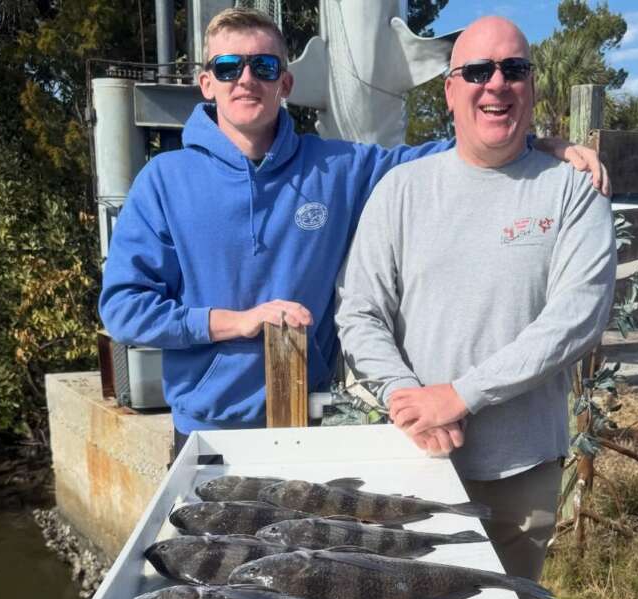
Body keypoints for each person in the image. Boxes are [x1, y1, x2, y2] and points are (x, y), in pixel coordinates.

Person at [98, 7, 608, 455]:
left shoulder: (336, 168)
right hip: (207, 430)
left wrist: (541, 144)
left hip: (309, 422)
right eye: (229, 67)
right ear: (207, 83)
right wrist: (236, 322)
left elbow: (451, 151)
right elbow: (123, 308)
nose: (246, 79)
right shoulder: (163, 182)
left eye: (264, 66)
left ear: (286, 83)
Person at [335, 15, 618, 584]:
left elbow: (576, 319)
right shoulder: (400, 191)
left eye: (513, 69)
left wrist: (460, 396)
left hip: (521, 472)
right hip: (415, 457)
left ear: (532, 87)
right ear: (449, 90)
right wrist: (407, 396)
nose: (496, 83)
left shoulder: (571, 192)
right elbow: (360, 310)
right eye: (477, 70)